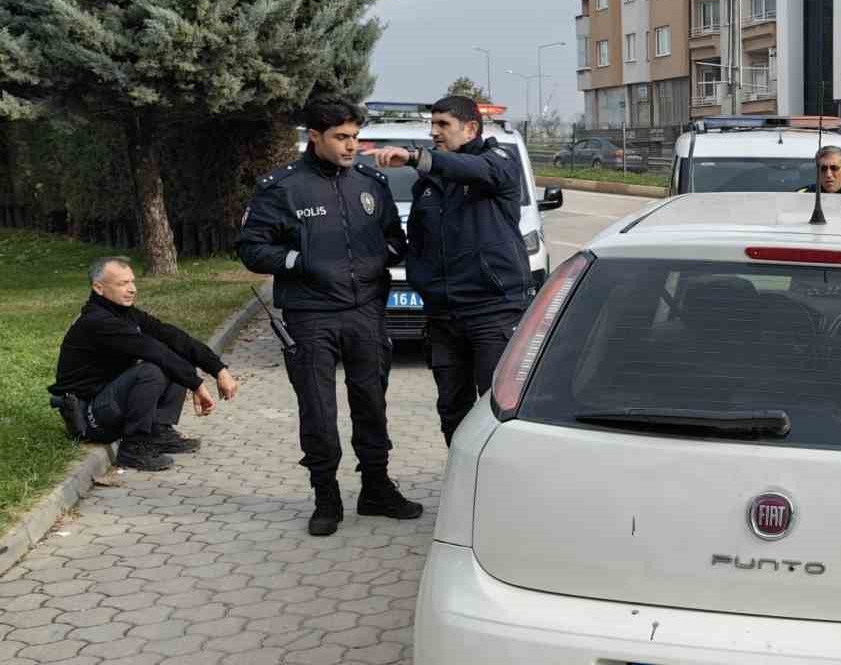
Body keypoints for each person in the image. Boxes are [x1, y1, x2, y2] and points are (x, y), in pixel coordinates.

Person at [238, 96, 422, 536]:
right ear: (314, 137)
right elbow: (251, 249)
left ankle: (376, 489)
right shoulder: (281, 187)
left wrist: (381, 257)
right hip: (311, 315)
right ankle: (326, 496)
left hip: (365, 312)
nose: (351, 146)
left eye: (355, 137)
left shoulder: (370, 182)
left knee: (371, 404)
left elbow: (394, 238)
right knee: (319, 411)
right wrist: (302, 262)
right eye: (341, 137)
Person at [362, 94, 531, 445]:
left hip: (491, 312)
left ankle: (498, 488)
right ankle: (460, 478)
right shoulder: (428, 185)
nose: (434, 132)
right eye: (432, 124)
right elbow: (419, 245)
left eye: (443, 125)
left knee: (496, 408)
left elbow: (475, 170)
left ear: (470, 128)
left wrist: (415, 157)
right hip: (443, 317)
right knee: (452, 408)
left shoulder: (498, 160)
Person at [49, 257, 239, 471]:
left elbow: (173, 337)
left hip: (108, 402)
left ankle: (157, 431)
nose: (132, 289)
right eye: (123, 284)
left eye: (132, 282)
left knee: (174, 355)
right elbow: (152, 350)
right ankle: (134, 447)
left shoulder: (125, 314)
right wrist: (196, 384)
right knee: (151, 370)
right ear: (98, 288)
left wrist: (218, 369)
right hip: (89, 417)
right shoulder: (98, 321)